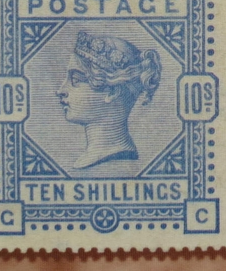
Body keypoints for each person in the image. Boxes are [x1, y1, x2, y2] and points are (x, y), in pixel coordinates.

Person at [57, 31, 161, 169]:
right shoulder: (88, 157)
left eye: (76, 80)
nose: (60, 91)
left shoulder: (118, 161)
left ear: (112, 92)